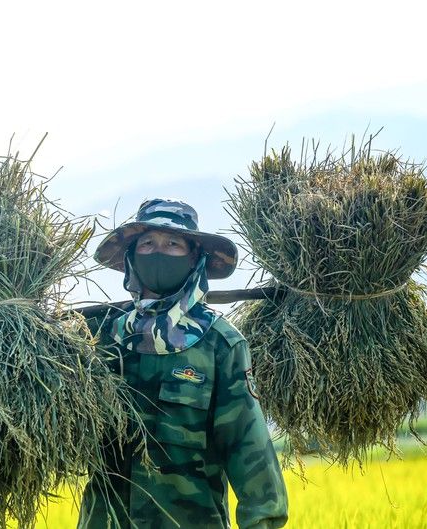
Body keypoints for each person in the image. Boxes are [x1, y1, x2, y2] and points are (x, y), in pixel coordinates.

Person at [77, 198, 288, 529]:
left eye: (172, 243)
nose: (158, 251)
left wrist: (262, 521)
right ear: (131, 257)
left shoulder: (219, 343)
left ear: (194, 259)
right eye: (147, 243)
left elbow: (248, 448)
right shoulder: (97, 337)